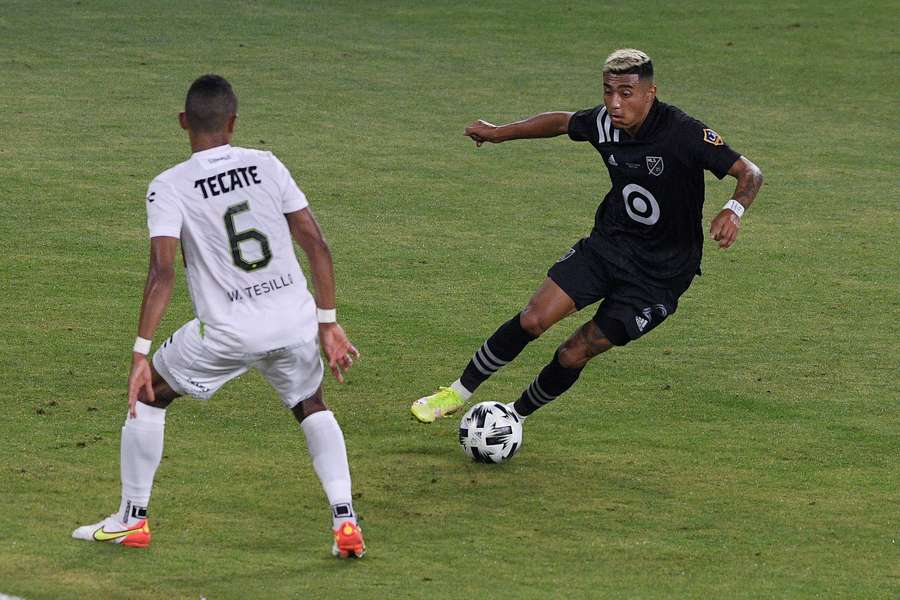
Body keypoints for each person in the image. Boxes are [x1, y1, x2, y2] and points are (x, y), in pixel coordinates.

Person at [73, 74, 366, 558]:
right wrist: (328, 322)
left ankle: (132, 519)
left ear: (183, 122)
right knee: (311, 405)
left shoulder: (169, 185)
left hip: (227, 331)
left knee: (148, 397)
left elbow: (162, 273)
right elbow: (316, 245)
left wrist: (140, 353)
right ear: (232, 122)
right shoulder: (268, 165)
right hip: (294, 320)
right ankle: (345, 520)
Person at [411, 49, 763, 427]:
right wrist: (499, 133)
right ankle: (455, 393)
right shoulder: (604, 123)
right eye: (608, 91)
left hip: (659, 277)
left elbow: (750, 173)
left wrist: (733, 210)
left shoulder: (684, 133)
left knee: (574, 352)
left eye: (626, 93)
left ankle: (513, 418)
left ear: (650, 93)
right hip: (608, 246)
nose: (614, 103)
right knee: (533, 319)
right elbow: (562, 122)